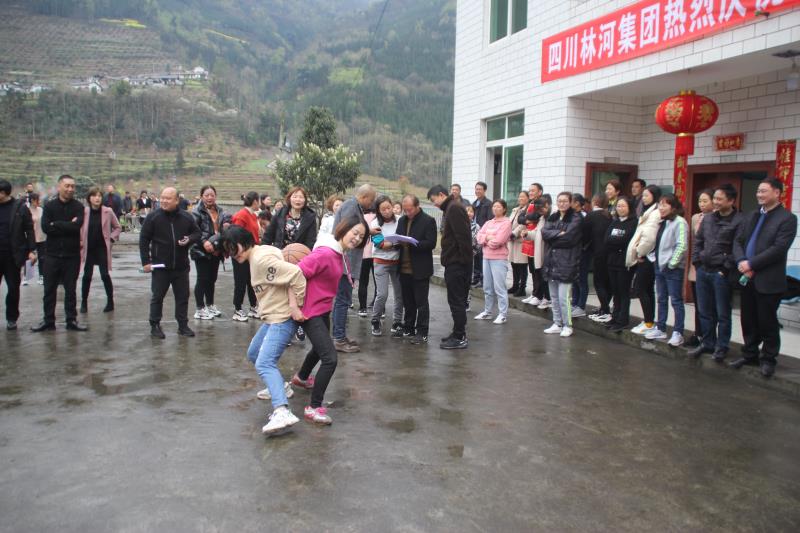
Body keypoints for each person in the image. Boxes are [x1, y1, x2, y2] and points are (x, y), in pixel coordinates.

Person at [220, 225, 306, 434]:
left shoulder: (260, 259)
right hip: (271, 317)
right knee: (254, 353)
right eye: (228, 250)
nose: (232, 254)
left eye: (233, 247)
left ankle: (282, 410)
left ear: (243, 243)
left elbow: (296, 273)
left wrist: (296, 306)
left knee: (265, 363)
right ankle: (281, 387)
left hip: (281, 318)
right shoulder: (260, 253)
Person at [292, 217, 369, 425]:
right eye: (355, 233)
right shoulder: (325, 253)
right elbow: (295, 274)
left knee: (319, 350)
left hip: (323, 309)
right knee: (330, 359)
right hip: (310, 312)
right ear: (343, 229)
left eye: (361, 236)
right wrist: (294, 308)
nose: (357, 238)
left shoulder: (339, 253)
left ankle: (301, 377)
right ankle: (314, 407)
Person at [730, 178, 798, 378]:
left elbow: (779, 249)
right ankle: (749, 354)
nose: (759, 194)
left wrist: (752, 264)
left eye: (764, 191)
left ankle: (768, 359)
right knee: (748, 319)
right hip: (747, 277)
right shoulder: (752, 215)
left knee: (767, 322)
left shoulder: (787, 219)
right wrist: (742, 261)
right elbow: (738, 241)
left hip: (768, 279)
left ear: (777, 193)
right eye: (758, 191)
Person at [688, 185, 743, 360]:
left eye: (720, 199)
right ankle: (708, 343)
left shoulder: (739, 221)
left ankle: (722, 346)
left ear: (731, 201)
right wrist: (697, 262)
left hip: (721, 273)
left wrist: (725, 269)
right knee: (704, 311)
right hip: (703, 270)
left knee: (722, 313)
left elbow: (738, 247)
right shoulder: (709, 218)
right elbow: (698, 241)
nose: (716, 202)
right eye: (715, 199)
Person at [139, 187, 201, 338]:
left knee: (182, 297)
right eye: (162, 197)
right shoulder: (153, 217)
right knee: (157, 297)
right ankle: (155, 325)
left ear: (177, 200)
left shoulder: (186, 217)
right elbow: (144, 239)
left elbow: (197, 233)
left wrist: (189, 239)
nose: (164, 201)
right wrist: (146, 261)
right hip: (160, 266)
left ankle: (182, 325)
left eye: (168, 198)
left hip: (181, 266)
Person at [32, 175, 86, 332]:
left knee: (71, 290)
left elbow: (77, 226)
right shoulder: (49, 206)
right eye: (67, 186)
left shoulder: (78, 207)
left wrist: (56, 224)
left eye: (72, 186)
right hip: (52, 255)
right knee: (49, 290)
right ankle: (48, 320)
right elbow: (46, 228)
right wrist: (68, 224)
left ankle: (71, 320)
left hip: (72, 255)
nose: (70, 189)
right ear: (59, 187)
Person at [331, 184, 376, 352]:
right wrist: (368, 232)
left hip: (346, 261)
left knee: (342, 301)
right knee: (342, 301)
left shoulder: (353, 206)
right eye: (371, 200)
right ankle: (339, 339)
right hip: (345, 261)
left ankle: (340, 335)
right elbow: (348, 233)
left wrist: (368, 232)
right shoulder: (351, 207)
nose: (371, 204)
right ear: (364, 197)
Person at [428, 185, 473, 348]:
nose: (434, 204)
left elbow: (463, 238)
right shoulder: (450, 208)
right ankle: (457, 332)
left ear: (441, 195)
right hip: (454, 262)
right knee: (454, 300)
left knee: (457, 301)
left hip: (458, 263)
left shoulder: (454, 208)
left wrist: (464, 263)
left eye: (434, 200)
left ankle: (460, 336)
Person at [646, 194, 689, 346]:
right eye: (660, 204)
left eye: (665, 205)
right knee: (661, 298)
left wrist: (672, 264)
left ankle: (678, 332)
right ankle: (661, 327)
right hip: (659, 266)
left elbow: (682, 245)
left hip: (672, 269)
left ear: (674, 207)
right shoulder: (663, 222)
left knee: (676, 301)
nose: (661, 208)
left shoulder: (680, 222)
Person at [395, 194, 438, 344]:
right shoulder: (402, 220)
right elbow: (398, 238)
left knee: (421, 302)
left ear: (417, 206)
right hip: (403, 267)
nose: (407, 213)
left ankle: (422, 331)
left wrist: (414, 243)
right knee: (408, 301)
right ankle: (408, 327)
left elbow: (431, 243)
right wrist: (396, 242)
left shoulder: (428, 220)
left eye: (410, 209)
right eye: (405, 210)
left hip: (420, 268)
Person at [541, 192, 583, 337]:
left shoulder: (576, 218)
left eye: (565, 201)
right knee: (554, 297)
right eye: (559, 201)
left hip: (567, 263)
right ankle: (557, 323)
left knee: (564, 299)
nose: (562, 203)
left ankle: (567, 325)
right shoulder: (553, 216)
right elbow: (544, 233)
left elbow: (570, 238)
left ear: (570, 202)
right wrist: (559, 233)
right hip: (551, 262)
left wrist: (553, 237)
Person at [190, 185, 231, 320]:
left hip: (216, 250)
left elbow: (224, 226)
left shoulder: (220, 211)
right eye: (206, 195)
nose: (209, 197)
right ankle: (200, 308)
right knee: (202, 279)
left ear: (215, 196)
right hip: (201, 250)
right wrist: (204, 242)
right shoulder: (196, 212)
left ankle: (210, 304)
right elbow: (194, 230)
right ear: (202, 196)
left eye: (212, 195)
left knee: (212, 279)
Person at [626, 185, 662, 336]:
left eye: (647, 195)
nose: (644, 198)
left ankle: (649, 322)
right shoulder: (648, 211)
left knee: (640, 288)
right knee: (647, 289)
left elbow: (649, 238)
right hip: (648, 256)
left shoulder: (654, 214)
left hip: (647, 257)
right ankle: (649, 321)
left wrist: (640, 253)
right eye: (643, 196)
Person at [0, 179, 35, 330]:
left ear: (3, 193)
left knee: (13, 288)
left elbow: (29, 229)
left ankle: (12, 318)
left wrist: (32, 250)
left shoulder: (19, 207)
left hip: (13, 255)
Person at [79, 187, 122, 314]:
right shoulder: (85, 211)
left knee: (104, 275)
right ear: (89, 198)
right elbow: (78, 227)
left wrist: (112, 238)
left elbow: (118, 227)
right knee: (87, 276)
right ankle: (84, 302)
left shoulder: (108, 211)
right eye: (94, 196)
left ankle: (110, 301)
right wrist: (80, 241)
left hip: (102, 248)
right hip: (89, 248)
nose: (97, 198)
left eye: (99, 196)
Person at [369, 195, 403, 336]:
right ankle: (375, 320)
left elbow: (404, 238)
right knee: (382, 294)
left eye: (389, 208)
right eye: (383, 209)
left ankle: (397, 322)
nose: (387, 211)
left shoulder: (400, 220)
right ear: (378, 210)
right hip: (380, 262)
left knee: (399, 294)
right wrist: (396, 244)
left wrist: (393, 244)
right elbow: (380, 244)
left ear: (392, 205)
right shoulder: (375, 223)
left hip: (397, 262)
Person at [474, 199, 513, 325]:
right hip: (486, 257)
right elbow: (478, 236)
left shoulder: (506, 223)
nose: (495, 209)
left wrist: (487, 240)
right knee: (487, 287)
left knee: (499, 287)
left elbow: (499, 241)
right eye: (494, 206)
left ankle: (503, 314)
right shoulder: (489, 222)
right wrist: (488, 238)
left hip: (499, 258)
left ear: (504, 209)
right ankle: (488, 311)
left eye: (499, 207)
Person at [604, 197, 638, 332]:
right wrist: (616, 242)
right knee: (615, 290)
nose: (620, 209)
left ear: (629, 207)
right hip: (612, 261)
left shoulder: (634, 223)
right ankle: (615, 316)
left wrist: (616, 241)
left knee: (623, 291)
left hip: (625, 262)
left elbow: (627, 240)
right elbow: (606, 239)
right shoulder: (615, 222)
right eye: (618, 206)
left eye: (623, 206)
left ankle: (623, 319)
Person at [686, 189, 715, 348]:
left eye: (705, 201)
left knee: (710, 306)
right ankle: (698, 334)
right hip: (696, 266)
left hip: (711, 266)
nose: (702, 204)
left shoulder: (716, 219)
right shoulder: (695, 218)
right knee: (699, 304)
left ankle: (709, 337)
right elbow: (693, 242)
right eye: (700, 201)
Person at [229, 191, 261, 322]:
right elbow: (234, 236)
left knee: (251, 281)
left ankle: (253, 306)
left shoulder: (252, 215)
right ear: (255, 201)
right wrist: (239, 253)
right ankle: (237, 309)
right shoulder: (241, 216)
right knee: (240, 281)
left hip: (251, 254)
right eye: (259, 201)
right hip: (241, 254)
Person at [585, 194, 613, 323]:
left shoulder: (591, 216)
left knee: (599, 282)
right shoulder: (609, 215)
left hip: (598, 253)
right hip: (610, 253)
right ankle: (604, 307)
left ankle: (605, 310)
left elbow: (584, 235)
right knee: (607, 282)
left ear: (594, 202)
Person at [520, 197, 549, 307]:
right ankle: (541, 296)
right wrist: (527, 233)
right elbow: (536, 233)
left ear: (547, 205)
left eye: (542, 209)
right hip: (540, 250)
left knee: (546, 276)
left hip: (549, 251)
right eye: (539, 211)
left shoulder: (553, 216)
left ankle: (547, 297)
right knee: (538, 273)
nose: (541, 212)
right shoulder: (542, 218)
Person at [570, 193, 590, 317]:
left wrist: (582, 247)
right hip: (573, 252)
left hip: (582, 252)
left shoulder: (584, 216)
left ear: (577, 203)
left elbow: (587, 235)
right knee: (574, 279)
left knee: (581, 279)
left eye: (570, 201)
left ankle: (581, 306)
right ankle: (575, 302)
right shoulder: (572, 215)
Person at [508, 191, 530, 297]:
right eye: (519, 196)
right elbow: (510, 223)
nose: (520, 198)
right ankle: (515, 285)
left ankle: (522, 288)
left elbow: (523, 225)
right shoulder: (515, 209)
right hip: (512, 241)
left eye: (523, 197)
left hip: (520, 241)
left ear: (528, 198)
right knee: (514, 264)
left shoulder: (528, 210)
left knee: (522, 265)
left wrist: (514, 233)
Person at [471, 181, 493, 287]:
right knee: (476, 256)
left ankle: (483, 279)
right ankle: (476, 277)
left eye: (480, 189)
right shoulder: (474, 203)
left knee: (481, 257)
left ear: (484, 190)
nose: (478, 191)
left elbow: (490, 220)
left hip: (483, 234)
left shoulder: (488, 204)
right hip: (475, 233)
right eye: (476, 189)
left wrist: (484, 233)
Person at [357, 209, 377, 317]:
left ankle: (362, 308)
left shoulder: (360, 217)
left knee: (363, 282)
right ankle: (380, 309)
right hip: (377, 254)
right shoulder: (378, 217)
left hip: (363, 254)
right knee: (378, 283)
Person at [28, 193, 46, 285]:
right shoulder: (26, 210)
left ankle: (41, 275)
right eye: (37, 200)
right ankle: (27, 276)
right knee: (30, 257)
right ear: (32, 200)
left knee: (42, 257)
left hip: (41, 236)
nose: (39, 201)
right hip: (30, 237)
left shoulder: (41, 210)